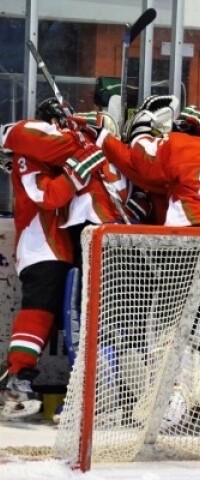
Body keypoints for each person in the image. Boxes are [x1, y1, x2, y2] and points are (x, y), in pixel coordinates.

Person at [0, 98, 107, 419]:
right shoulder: (25, 159)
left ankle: (28, 379)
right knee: (38, 312)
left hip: (61, 249)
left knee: (59, 319)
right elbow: (46, 197)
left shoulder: (50, 158)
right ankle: (16, 379)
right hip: (41, 248)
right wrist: (78, 170)